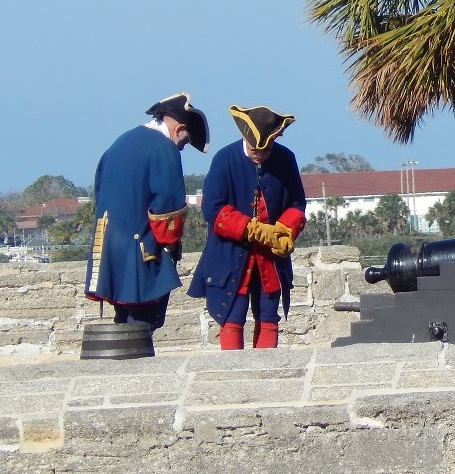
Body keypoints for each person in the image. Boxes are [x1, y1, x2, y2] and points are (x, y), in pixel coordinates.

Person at [85, 92, 210, 331]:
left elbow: (100, 194)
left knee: (123, 318)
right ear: (179, 129)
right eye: (184, 142)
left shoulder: (119, 143)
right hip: (142, 249)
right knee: (143, 323)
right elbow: (168, 207)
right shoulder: (164, 149)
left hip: (109, 247)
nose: (181, 148)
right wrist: (171, 246)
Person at [187, 105, 306, 349]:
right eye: (255, 149)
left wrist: (284, 230)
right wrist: (254, 230)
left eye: (266, 149)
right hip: (231, 255)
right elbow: (214, 209)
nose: (260, 154)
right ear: (245, 137)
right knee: (232, 315)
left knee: (269, 316)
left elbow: (296, 203)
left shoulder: (286, 159)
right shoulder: (224, 159)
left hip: (269, 257)